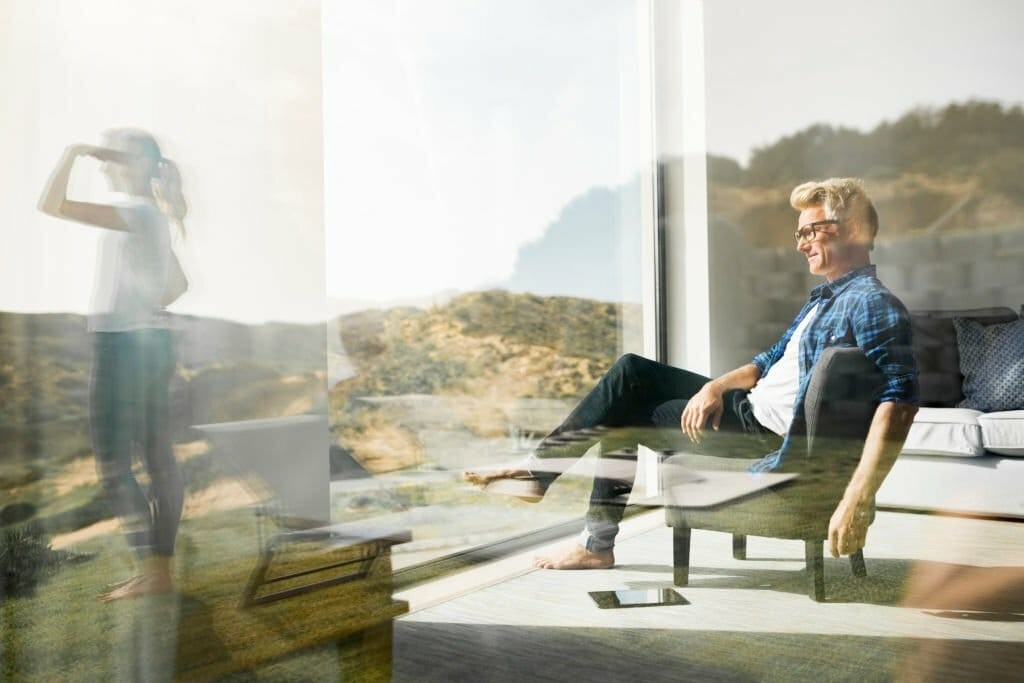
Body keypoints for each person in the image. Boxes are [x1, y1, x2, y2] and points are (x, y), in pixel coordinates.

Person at [465, 177, 919, 570]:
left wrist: (858, 497)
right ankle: (554, 494)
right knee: (631, 372)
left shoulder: (871, 302)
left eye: (811, 231)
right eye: (798, 233)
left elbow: (900, 402)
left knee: (623, 410)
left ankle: (580, 527)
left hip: (764, 435)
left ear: (855, 229)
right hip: (745, 409)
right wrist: (714, 387)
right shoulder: (825, 298)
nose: (800, 243)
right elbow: (765, 362)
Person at [38, 129, 189, 600]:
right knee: (157, 460)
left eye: (112, 157)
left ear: (137, 163)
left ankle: (154, 572)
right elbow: (178, 284)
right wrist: (144, 304)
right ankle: (156, 573)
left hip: (121, 347)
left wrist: (72, 151)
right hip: (148, 342)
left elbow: (51, 204)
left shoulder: (138, 212)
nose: (104, 165)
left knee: (113, 464)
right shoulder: (152, 216)